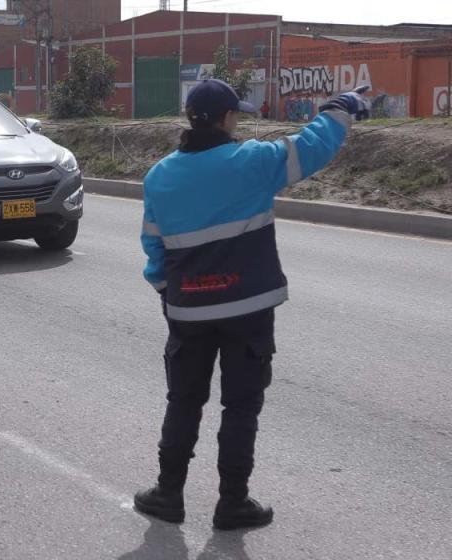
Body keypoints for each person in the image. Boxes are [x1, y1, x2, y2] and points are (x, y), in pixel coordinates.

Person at [133, 79, 370, 530]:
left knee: (184, 401)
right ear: (226, 118)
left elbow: (153, 246)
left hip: (189, 313)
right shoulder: (254, 162)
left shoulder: (159, 176)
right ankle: (232, 503)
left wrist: (170, 292)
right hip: (249, 310)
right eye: (236, 114)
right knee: (240, 408)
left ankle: (168, 494)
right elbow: (313, 146)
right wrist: (341, 106)